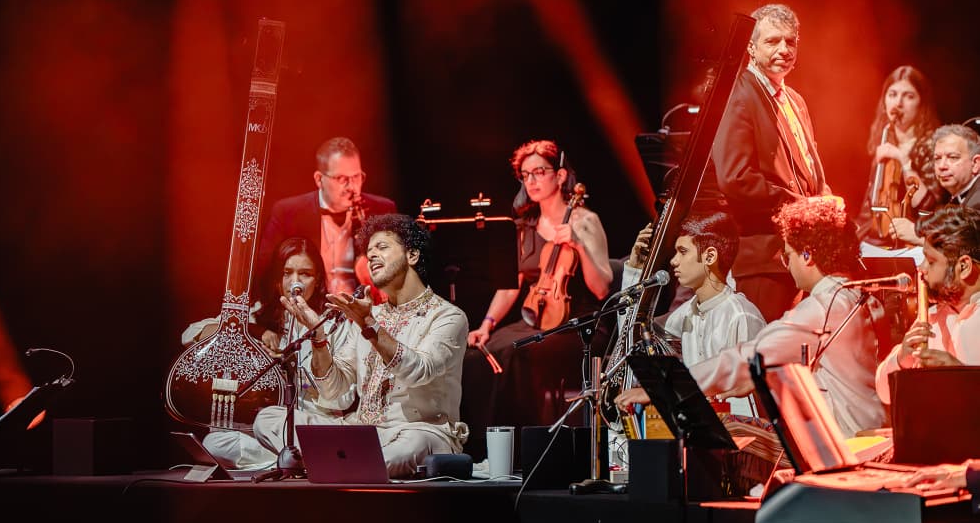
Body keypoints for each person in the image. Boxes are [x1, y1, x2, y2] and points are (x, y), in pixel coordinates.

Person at [255, 213, 468, 479]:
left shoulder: (447, 316)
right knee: (270, 419)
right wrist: (318, 337)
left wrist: (369, 325)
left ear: (412, 256)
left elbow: (419, 371)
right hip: (361, 431)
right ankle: (338, 462)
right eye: (369, 252)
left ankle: (322, 461)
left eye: (382, 247)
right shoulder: (371, 315)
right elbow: (335, 389)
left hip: (419, 432)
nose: (372, 257)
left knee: (403, 451)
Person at [677, 197, 884, 437]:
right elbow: (835, 374)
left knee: (732, 439)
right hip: (874, 435)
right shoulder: (865, 299)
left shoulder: (822, 308)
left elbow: (747, 356)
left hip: (848, 447)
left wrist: (674, 386)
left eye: (788, 255)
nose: (787, 265)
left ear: (807, 255)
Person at [464, 139, 612, 430]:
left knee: (519, 354)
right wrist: (486, 324)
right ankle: (485, 443)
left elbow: (602, 288)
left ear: (559, 175)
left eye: (539, 172)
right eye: (525, 174)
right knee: (477, 356)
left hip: (578, 323)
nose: (531, 180)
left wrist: (579, 246)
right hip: (536, 318)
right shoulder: (524, 226)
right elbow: (510, 286)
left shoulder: (585, 220)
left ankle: (525, 443)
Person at [711, 3, 832, 324]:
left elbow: (808, 170)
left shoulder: (795, 100)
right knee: (765, 358)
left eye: (790, 41)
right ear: (750, 47)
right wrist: (804, 207)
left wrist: (828, 205)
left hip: (802, 254)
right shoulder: (738, 94)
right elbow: (736, 179)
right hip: (763, 259)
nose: (784, 49)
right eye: (772, 41)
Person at [194, 237, 356, 469]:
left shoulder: (333, 324)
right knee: (214, 441)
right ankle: (291, 463)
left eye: (305, 274)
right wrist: (257, 331)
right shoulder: (261, 314)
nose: (295, 282)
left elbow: (343, 398)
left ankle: (302, 458)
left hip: (312, 422)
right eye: (287, 272)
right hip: (269, 432)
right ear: (277, 277)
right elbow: (193, 332)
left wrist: (298, 364)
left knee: (268, 419)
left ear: (318, 278)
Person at [615, 210, 766, 417]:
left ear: (710, 256)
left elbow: (748, 409)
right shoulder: (686, 313)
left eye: (683, 252)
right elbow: (633, 335)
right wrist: (634, 271)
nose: (674, 261)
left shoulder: (741, 316)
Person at [256, 137, 397, 297]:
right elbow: (265, 272)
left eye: (357, 177)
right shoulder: (287, 212)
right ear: (319, 179)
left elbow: (398, 272)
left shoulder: (383, 209)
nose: (352, 187)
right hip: (310, 310)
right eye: (342, 179)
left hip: (363, 311)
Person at [875, 205, 980, 404]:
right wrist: (901, 359)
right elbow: (886, 395)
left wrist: (961, 377)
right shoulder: (931, 318)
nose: (921, 269)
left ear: (964, 267)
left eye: (931, 262)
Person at [856, 65, 944, 247]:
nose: (898, 103)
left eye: (909, 96)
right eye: (892, 94)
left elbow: (929, 207)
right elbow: (871, 202)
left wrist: (903, 160)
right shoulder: (883, 138)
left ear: (921, 103)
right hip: (879, 235)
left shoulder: (933, 145)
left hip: (914, 240)